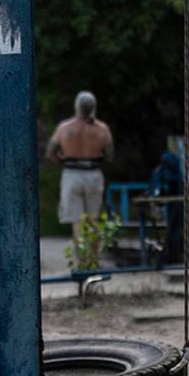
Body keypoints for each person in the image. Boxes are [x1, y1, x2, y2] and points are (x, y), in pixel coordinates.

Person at [46, 91, 114, 268]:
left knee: (77, 221)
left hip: (72, 174)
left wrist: (63, 160)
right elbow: (110, 155)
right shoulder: (102, 129)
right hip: (93, 173)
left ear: (76, 106)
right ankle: (93, 260)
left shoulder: (65, 128)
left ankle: (81, 261)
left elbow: (50, 153)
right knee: (93, 219)